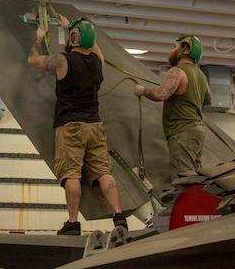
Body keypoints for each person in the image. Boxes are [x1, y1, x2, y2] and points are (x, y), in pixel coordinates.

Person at [28, 14, 128, 237]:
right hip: (95, 125)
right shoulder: (97, 63)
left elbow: (33, 60)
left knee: (71, 173)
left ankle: (73, 222)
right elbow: (97, 49)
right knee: (103, 171)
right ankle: (118, 215)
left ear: (73, 38)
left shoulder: (63, 60)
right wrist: (71, 26)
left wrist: (39, 37)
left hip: (70, 126)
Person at [133, 34, 213, 181]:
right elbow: (208, 100)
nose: (172, 51)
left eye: (174, 47)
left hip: (182, 131)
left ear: (185, 48)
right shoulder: (201, 76)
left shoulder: (177, 71)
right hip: (197, 131)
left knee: (183, 180)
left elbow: (161, 94)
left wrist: (142, 90)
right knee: (195, 179)